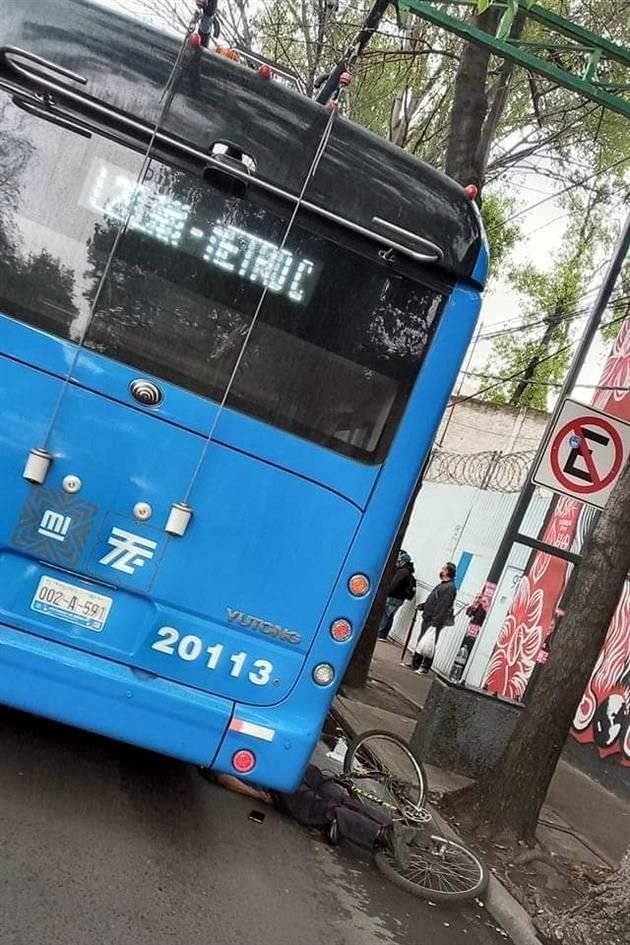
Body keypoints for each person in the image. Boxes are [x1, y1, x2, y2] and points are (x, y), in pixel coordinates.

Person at [200, 764, 413, 865]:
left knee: (322, 810)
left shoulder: (209, 757)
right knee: (340, 798)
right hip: (300, 766)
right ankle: (388, 823)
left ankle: (379, 833)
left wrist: (256, 795)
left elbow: (225, 779)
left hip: (276, 781)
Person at [411, 562, 457, 674]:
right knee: (422, 639)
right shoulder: (443, 585)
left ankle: (424, 666)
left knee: (430, 643)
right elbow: (434, 600)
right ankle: (415, 663)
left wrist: (436, 622)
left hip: (434, 620)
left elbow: (443, 606)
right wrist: (423, 606)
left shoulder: (450, 588)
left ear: (447, 572)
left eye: (443, 568)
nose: (441, 570)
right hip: (429, 617)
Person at [377, 550, 416, 641]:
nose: (397, 562)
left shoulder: (402, 572)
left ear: (403, 562)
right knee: (389, 615)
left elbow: (394, 583)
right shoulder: (408, 572)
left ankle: (380, 632)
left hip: (394, 596)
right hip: (399, 598)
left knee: (386, 614)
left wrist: (386, 592)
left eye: (399, 561)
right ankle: (383, 633)